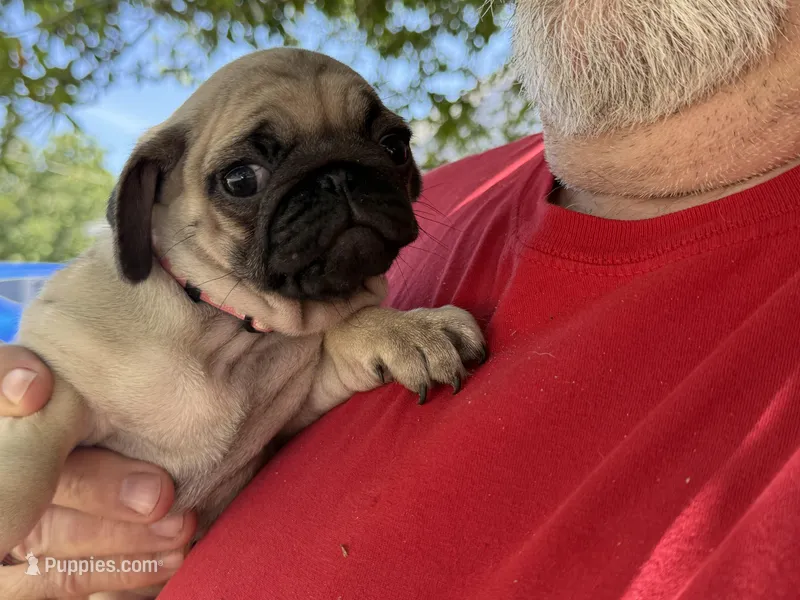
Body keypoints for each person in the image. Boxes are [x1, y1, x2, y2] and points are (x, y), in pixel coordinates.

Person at [2, 0, 800, 597]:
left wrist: (362, 340)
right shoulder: (462, 198)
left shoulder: (343, 302)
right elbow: (44, 404)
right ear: (149, 204)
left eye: (381, 148)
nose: (343, 189)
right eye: (244, 179)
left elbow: (314, 376)